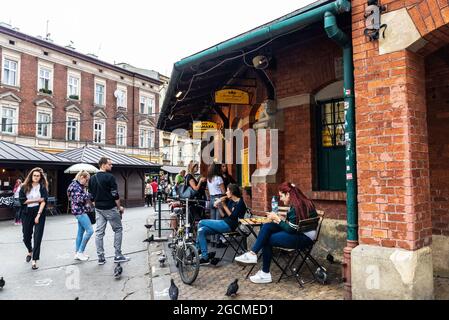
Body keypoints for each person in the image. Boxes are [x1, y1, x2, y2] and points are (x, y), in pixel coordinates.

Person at [235, 182, 318, 284]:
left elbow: (291, 229)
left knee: (267, 239)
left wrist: (278, 219)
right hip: (301, 233)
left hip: (304, 238)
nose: (281, 199)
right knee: (267, 226)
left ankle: (265, 273)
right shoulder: (302, 202)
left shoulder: (296, 207)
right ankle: (253, 254)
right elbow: (295, 225)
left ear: (288, 194)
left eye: (281, 196)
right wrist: (279, 219)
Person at [89, 157, 129, 265]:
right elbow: (115, 194)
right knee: (118, 229)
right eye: (110, 164)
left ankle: (101, 257)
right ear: (103, 165)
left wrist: (97, 205)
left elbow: (91, 196)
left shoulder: (92, 178)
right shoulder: (110, 177)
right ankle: (117, 255)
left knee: (99, 233)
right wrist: (119, 207)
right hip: (110, 208)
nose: (112, 166)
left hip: (98, 208)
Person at [196, 184, 247, 264]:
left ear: (232, 192)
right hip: (224, 223)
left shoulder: (241, 203)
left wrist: (224, 205)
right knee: (201, 231)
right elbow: (224, 215)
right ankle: (204, 256)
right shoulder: (231, 201)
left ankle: (197, 249)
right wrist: (219, 207)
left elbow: (233, 217)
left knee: (201, 222)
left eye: (227, 190)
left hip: (230, 226)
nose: (226, 192)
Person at [19, 167, 49, 270]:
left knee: (37, 237)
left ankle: (34, 260)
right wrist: (37, 199)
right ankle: (30, 250)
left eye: (38, 176)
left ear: (40, 177)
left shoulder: (42, 187)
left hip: (39, 212)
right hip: (27, 213)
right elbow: (22, 201)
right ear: (31, 176)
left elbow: (44, 201)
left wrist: (38, 215)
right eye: (34, 175)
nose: (36, 177)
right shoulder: (24, 186)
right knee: (26, 236)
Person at [67, 170, 93, 262]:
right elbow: (78, 199)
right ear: (81, 177)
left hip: (78, 211)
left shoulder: (76, 185)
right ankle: (80, 252)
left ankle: (77, 253)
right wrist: (88, 195)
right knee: (90, 231)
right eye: (86, 180)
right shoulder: (75, 186)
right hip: (80, 211)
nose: (87, 182)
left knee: (80, 232)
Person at [206, 163, 226, 247]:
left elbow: (208, 190)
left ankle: (213, 240)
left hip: (211, 198)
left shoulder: (209, 179)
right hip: (218, 198)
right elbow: (223, 191)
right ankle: (217, 241)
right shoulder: (219, 178)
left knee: (212, 221)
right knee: (218, 222)